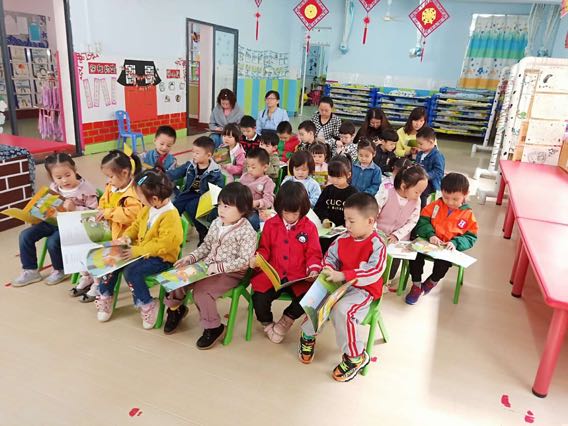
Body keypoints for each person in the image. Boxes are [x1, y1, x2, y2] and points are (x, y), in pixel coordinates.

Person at [299, 193, 387, 383]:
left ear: (370, 221)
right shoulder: (342, 239)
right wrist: (328, 268)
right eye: (346, 219)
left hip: (364, 290)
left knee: (342, 310)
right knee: (317, 296)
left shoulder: (377, 244)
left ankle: (356, 356)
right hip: (340, 283)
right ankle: (308, 335)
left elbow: (374, 271)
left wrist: (345, 275)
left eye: (351, 221)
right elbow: (330, 257)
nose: (347, 225)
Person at [163, 183, 258, 348]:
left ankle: (214, 327)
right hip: (207, 265)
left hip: (231, 273)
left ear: (243, 209)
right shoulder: (216, 223)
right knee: (177, 278)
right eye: (220, 205)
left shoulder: (247, 231)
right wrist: (190, 258)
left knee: (202, 292)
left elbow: (244, 261)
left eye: (227, 206)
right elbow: (206, 246)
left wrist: (219, 268)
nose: (221, 210)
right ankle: (175, 309)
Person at [94, 169, 183, 328]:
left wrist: (137, 251)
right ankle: (105, 295)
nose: (138, 199)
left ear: (154, 199)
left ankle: (147, 303)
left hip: (162, 258)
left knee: (131, 271)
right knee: (111, 260)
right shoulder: (148, 207)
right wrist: (127, 237)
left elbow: (164, 244)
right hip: (142, 251)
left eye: (140, 196)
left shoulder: (170, 215)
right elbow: (136, 226)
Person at [249, 181, 322, 343]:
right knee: (259, 298)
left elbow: (314, 254)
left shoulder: (310, 227)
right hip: (273, 275)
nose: (289, 217)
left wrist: (313, 270)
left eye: (294, 213)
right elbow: (264, 249)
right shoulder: (270, 224)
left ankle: (286, 320)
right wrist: (258, 259)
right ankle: (267, 324)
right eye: (286, 212)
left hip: (298, 276)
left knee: (310, 298)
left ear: (303, 209)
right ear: (279, 208)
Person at [13, 153, 98, 287]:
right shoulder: (54, 187)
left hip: (75, 225)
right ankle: (30, 270)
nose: (64, 180)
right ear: (51, 177)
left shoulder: (87, 189)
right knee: (25, 235)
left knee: (52, 241)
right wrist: (36, 215)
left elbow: (94, 214)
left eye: (68, 175)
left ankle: (60, 269)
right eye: (58, 177)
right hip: (54, 221)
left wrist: (75, 208)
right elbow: (48, 207)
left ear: (75, 170)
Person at [73, 150, 144, 302]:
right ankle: (88, 277)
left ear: (125, 173)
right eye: (107, 177)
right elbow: (103, 202)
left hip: (126, 240)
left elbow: (132, 215)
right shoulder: (111, 187)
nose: (109, 180)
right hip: (109, 232)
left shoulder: (134, 192)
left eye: (111, 176)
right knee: (83, 247)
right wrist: (101, 210)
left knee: (103, 258)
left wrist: (108, 213)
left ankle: (100, 288)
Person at [405, 173, 478, 305]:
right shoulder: (435, 205)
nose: (450, 202)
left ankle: (432, 282)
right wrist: (430, 234)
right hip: (428, 242)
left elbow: (470, 237)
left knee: (443, 264)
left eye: (455, 199)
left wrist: (455, 243)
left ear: (466, 194)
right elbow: (422, 221)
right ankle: (416, 285)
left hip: (446, 248)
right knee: (415, 257)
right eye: (446, 197)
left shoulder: (468, 215)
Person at [375, 164, 428, 289]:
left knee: (394, 260)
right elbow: (373, 211)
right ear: (404, 186)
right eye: (417, 191)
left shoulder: (416, 201)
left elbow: (412, 221)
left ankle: (387, 281)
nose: (419, 195)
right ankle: (374, 280)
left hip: (399, 239)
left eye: (421, 192)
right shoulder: (387, 191)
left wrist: (397, 235)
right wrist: (375, 231)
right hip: (378, 233)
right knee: (375, 256)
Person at [167, 136, 225, 245]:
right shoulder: (190, 165)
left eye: (197, 153)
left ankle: (203, 232)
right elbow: (175, 173)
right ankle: (171, 231)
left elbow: (219, 190)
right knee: (175, 207)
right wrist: (161, 176)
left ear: (209, 155)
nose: (194, 155)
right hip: (189, 193)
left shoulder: (215, 172)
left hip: (202, 197)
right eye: (193, 152)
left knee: (192, 207)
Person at [314, 158, 358, 252]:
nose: (335, 180)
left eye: (339, 178)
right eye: (331, 176)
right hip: (325, 230)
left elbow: (356, 214)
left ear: (348, 175)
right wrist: (324, 219)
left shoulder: (353, 193)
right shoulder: (328, 190)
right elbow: (319, 208)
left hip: (344, 231)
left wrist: (346, 226)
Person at [239, 148, 276, 231]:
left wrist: (257, 203)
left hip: (257, 211)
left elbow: (269, 200)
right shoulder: (244, 177)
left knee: (251, 219)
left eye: (253, 167)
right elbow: (238, 189)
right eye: (248, 166)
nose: (249, 170)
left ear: (265, 167)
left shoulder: (267, 182)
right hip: (242, 206)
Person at [415, 127, 445, 208]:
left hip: (431, 183)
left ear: (431, 142)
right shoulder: (420, 153)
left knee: (422, 191)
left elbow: (439, 172)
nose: (418, 146)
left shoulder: (437, 156)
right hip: (419, 178)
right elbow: (417, 164)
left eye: (421, 144)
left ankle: (422, 210)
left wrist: (425, 175)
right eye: (418, 143)